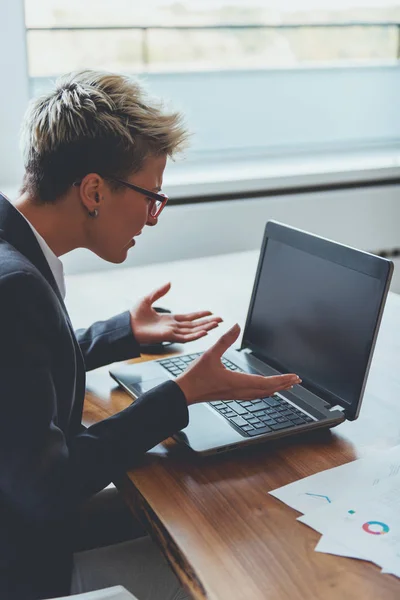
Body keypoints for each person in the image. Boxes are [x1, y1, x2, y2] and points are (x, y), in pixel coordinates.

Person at [0, 70, 300, 600]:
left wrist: (121, 333)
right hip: (27, 568)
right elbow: (47, 489)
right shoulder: (16, 289)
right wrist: (180, 395)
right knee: (244, 566)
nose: (154, 217)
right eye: (150, 197)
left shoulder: (13, 253)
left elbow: (19, 375)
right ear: (94, 190)